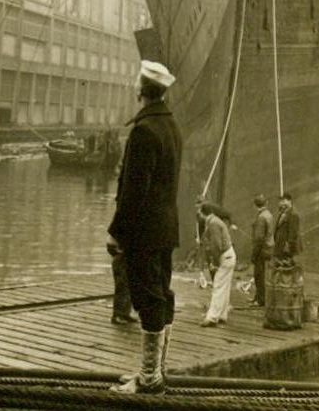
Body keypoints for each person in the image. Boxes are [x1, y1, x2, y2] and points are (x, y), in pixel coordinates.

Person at [106, 59, 182, 395]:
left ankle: (149, 378)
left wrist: (116, 231)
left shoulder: (144, 130)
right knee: (161, 294)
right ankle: (155, 370)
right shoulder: (171, 127)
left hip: (143, 232)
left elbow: (134, 191)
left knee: (147, 298)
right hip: (166, 228)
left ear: (141, 89)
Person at [198, 202, 236, 326]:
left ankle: (212, 318)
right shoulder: (215, 221)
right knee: (224, 287)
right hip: (229, 255)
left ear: (204, 214)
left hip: (225, 256)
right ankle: (222, 315)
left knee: (218, 286)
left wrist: (214, 262)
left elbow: (216, 245)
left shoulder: (213, 223)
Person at [250, 194, 274, 307]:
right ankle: (258, 297)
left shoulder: (261, 217)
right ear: (266, 203)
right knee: (263, 274)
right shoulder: (269, 214)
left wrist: (254, 254)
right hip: (269, 248)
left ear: (255, 205)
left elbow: (259, 238)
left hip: (261, 250)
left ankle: (260, 300)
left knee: (258, 275)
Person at [109, 245, 137, 325]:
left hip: (129, 257)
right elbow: (111, 246)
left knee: (129, 286)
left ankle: (125, 313)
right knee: (122, 287)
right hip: (121, 259)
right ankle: (117, 315)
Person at [272, 191, 302, 262]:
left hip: (286, 247)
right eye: (281, 201)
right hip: (280, 244)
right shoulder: (283, 212)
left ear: (289, 201)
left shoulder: (293, 214)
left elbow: (293, 232)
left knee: (287, 266)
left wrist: (288, 246)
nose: (282, 203)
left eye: (284, 201)